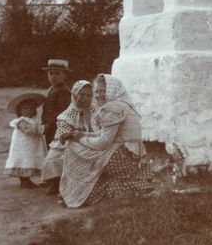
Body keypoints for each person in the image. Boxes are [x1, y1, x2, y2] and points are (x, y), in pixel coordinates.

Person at [59, 74, 154, 208]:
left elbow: (104, 142)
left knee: (76, 149)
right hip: (132, 157)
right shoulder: (122, 105)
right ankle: (131, 188)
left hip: (123, 157)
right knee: (90, 158)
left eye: (103, 91)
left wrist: (79, 139)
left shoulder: (112, 108)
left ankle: (74, 191)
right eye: (96, 91)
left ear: (112, 90)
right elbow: (104, 133)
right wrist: (81, 134)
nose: (98, 95)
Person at [41, 80, 98, 196]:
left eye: (89, 95)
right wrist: (71, 134)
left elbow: (98, 130)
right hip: (70, 142)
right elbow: (62, 134)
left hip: (89, 141)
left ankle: (77, 183)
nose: (85, 98)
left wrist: (87, 114)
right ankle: (55, 181)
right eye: (82, 95)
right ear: (75, 94)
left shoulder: (95, 112)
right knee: (54, 156)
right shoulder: (68, 113)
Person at [4, 92, 47, 189]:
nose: (29, 111)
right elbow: (30, 130)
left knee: (30, 160)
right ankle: (24, 181)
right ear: (20, 111)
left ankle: (27, 180)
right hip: (23, 146)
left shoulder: (34, 120)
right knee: (23, 161)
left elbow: (35, 127)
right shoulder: (21, 121)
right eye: (25, 108)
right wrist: (44, 128)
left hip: (31, 146)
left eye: (31, 108)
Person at [40, 59, 72, 147]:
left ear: (65, 75)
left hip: (57, 127)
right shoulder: (51, 89)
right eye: (51, 73)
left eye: (57, 73)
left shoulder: (64, 91)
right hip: (49, 127)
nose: (53, 76)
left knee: (56, 149)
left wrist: (48, 124)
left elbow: (62, 111)